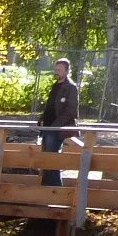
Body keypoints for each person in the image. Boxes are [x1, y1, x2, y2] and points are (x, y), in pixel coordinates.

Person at [38, 58, 79, 186]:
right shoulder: (55, 86)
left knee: (52, 159)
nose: (56, 72)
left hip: (56, 129)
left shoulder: (71, 88)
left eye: (59, 70)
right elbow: (50, 107)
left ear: (67, 71)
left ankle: (55, 189)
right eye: (56, 69)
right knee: (46, 159)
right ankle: (46, 187)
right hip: (48, 128)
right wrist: (42, 119)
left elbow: (71, 111)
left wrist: (56, 126)